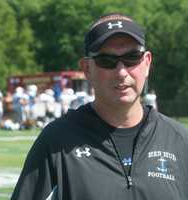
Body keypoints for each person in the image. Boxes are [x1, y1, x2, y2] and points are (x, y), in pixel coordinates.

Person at [11, 13, 188, 200]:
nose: (121, 72)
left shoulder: (179, 140)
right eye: (107, 61)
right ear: (87, 68)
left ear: (147, 62)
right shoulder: (57, 141)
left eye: (132, 58)